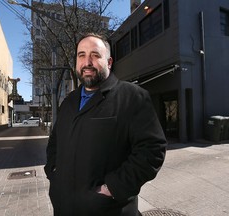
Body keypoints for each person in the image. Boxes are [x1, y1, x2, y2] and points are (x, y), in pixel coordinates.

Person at [44, 33, 167, 216]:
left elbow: (152, 150)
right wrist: (53, 172)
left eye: (95, 55)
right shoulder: (69, 101)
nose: (87, 62)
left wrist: (112, 188)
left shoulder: (133, 97)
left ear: (109, 62)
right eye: (81, 55)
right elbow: (55, 141)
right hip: (63, 206)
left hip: (108, 209)